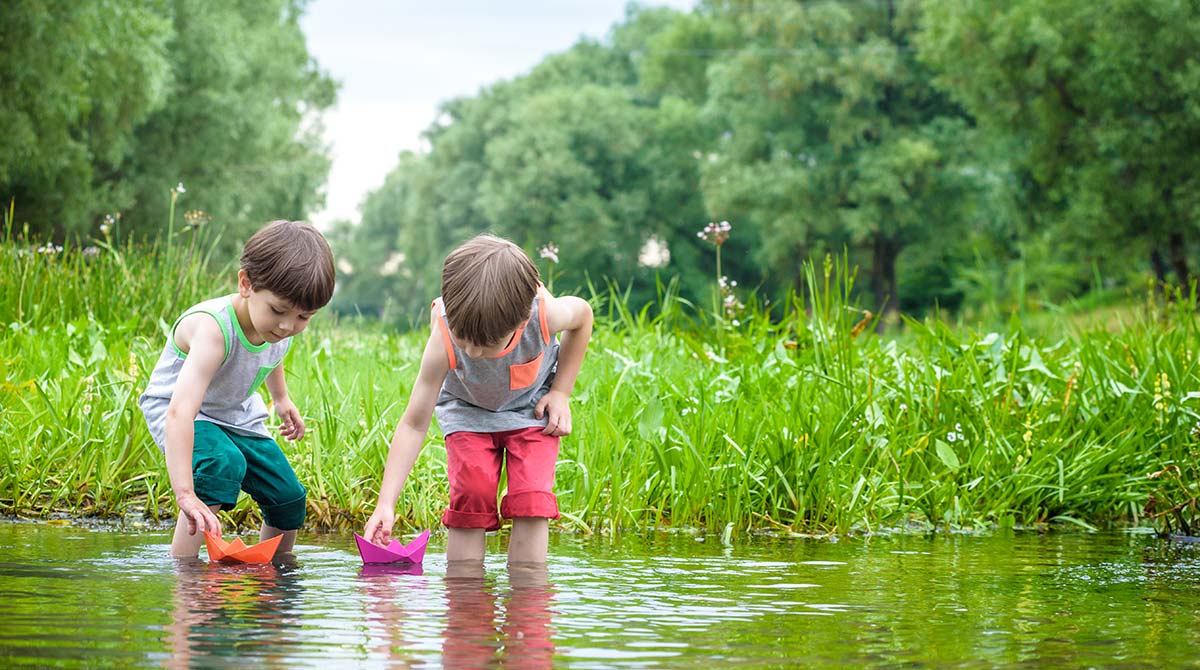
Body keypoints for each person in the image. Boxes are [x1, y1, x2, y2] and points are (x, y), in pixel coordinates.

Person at [364, 234, 593, 564]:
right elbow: (414, 423)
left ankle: (527, 597)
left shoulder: (544, 314)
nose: (471, 352)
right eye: (464, 339)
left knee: (532, 499)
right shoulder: (444, 335)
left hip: (530, 411)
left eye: (485, 345)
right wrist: (386, 503)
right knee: (470, 496)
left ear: (522, 321)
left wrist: (560, 392)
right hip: (467, 412)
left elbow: (583, 316)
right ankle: (465, 598)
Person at [139, 219, 335, 558]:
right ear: (246, 284)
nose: (289, 326)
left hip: (235, 414)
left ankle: (274, 574)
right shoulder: (214, 329)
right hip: (182, 411)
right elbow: (180, 412)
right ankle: (184, 572)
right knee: (220, 463)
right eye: (279, 311)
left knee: (288, 494)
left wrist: (281, 398)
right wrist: (184, 492)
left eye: (305, 317)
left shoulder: (277, 327)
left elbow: (271, 354)